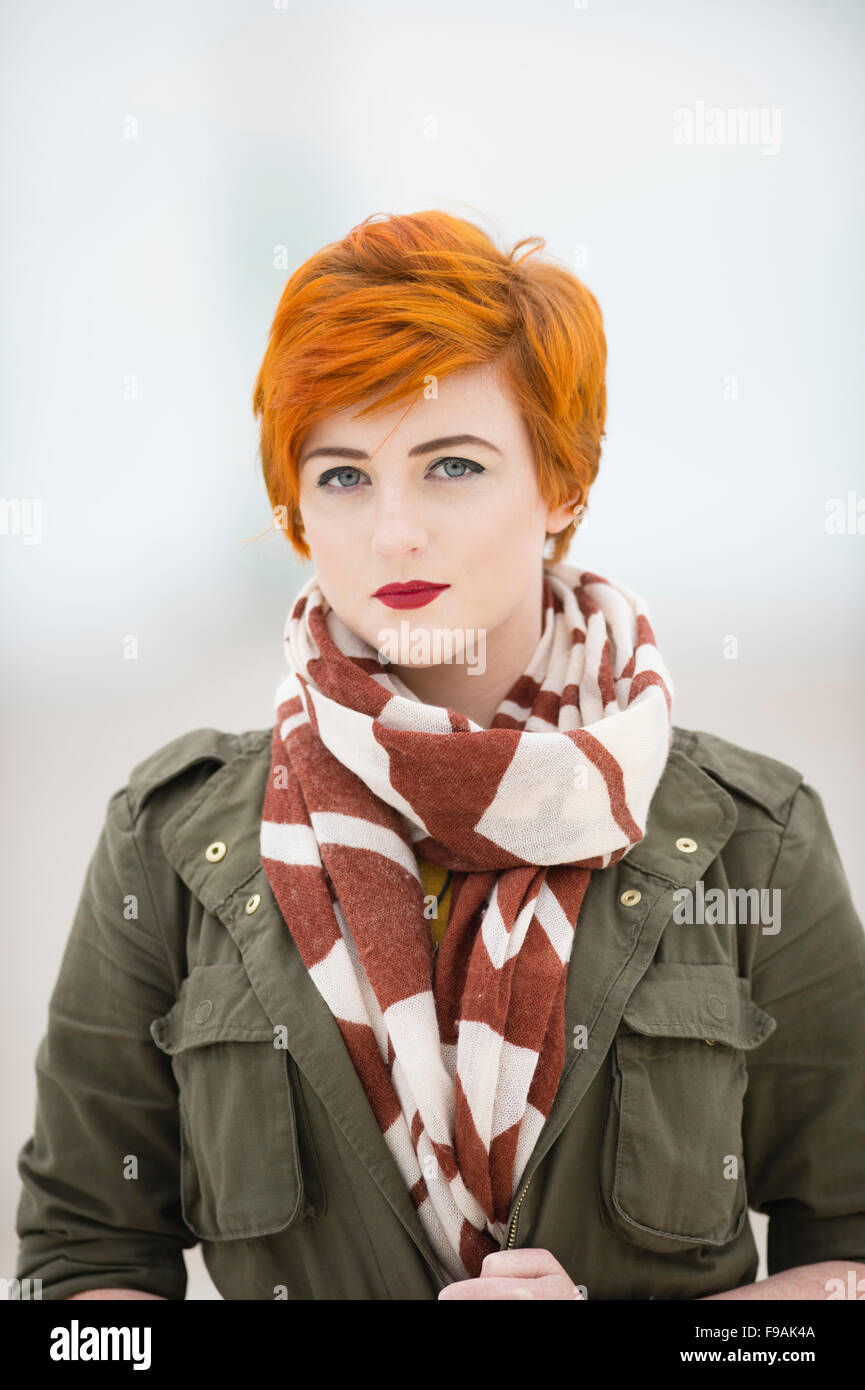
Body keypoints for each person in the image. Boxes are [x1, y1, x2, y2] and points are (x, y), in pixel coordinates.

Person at [13, 210, 865, 1301]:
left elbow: (847, 1258)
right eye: (343, 475)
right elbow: (81, 1269)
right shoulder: (171, 841)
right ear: (297, 506)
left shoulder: (752, 839)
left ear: (560, 483)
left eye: (451, 465)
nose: (394, 531)